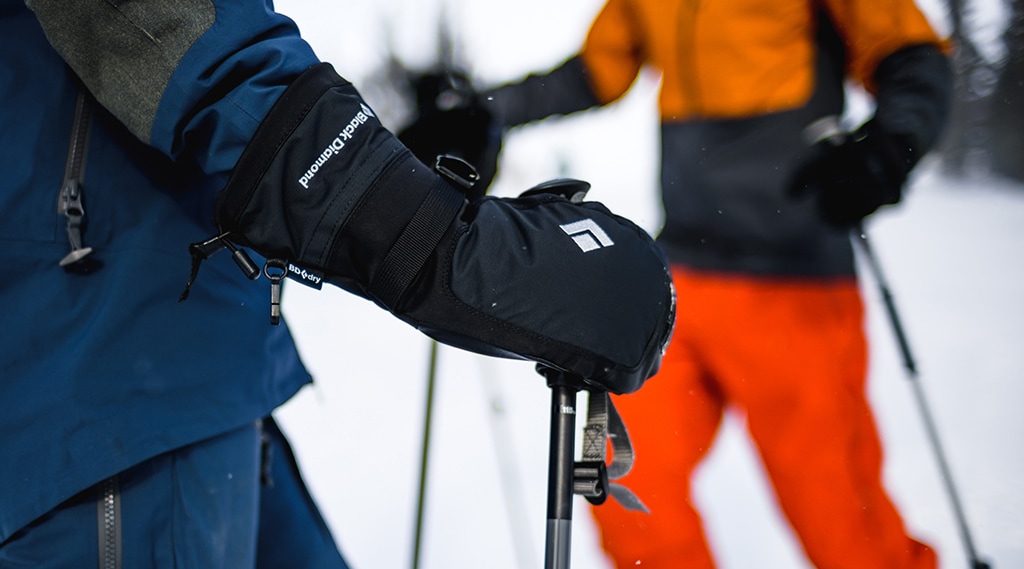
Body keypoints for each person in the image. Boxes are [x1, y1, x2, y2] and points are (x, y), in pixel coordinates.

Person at [0, 1, 674, 567]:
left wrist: (399, 160)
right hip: (97, 394)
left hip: (198, 368)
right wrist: (428, 237)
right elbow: (164, 26)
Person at [401, 0, 953, 567]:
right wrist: (483, 110)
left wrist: (893, 143)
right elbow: (596, 71)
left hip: (794, 283)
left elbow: (910, 53)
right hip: (677, 284)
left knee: (844, 529)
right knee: (613, 476)